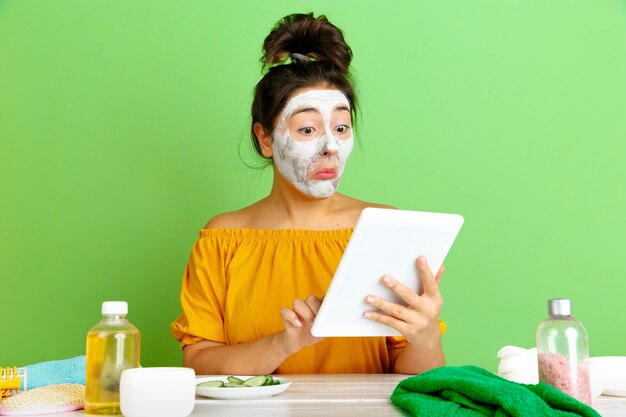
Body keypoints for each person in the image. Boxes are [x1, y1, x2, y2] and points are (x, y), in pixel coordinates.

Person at [170, 13, 446, 375]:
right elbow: (200, 365)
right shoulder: (223, 239)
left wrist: (425, 336)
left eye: (342, 127)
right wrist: (286, 343)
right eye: (307, 128)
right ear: (265, 138)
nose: (330, 145)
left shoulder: (384, 230)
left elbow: (412, 378)